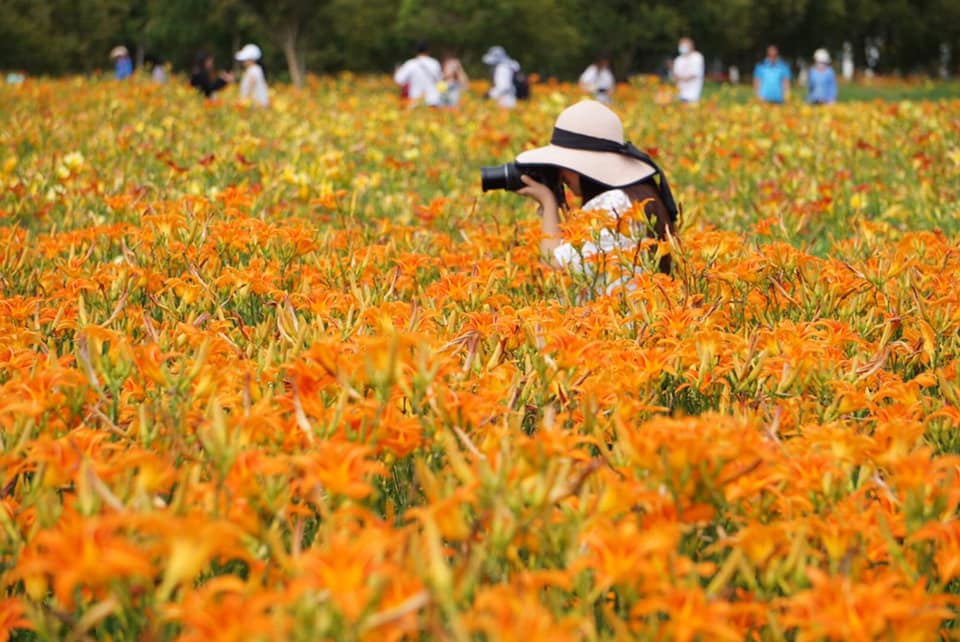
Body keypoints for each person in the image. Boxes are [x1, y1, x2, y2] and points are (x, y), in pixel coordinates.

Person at [513, 100, 679, 287]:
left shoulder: (614, 204)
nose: (559, 172)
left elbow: (553, 266)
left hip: (616, 312)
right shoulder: (630, 195)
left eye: (565, 164)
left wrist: (549, 202)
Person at [393, 42, 442, 107]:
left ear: (416, 51)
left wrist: (397, 71)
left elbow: (398, 80)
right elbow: (440, 80)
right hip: (433, 100)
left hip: (416, 101)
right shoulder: (435, 63)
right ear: (429, 51)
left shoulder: (410, 64)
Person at [672, 38, 704, 102]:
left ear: (691, 46)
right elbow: (675, 75)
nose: (682, 47)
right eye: (681, 45)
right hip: (679, 93)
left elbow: (694, 74)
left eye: (684, 45)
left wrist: (681, 78)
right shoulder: (678, 59)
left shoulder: (697, 57)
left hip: (693, 93)